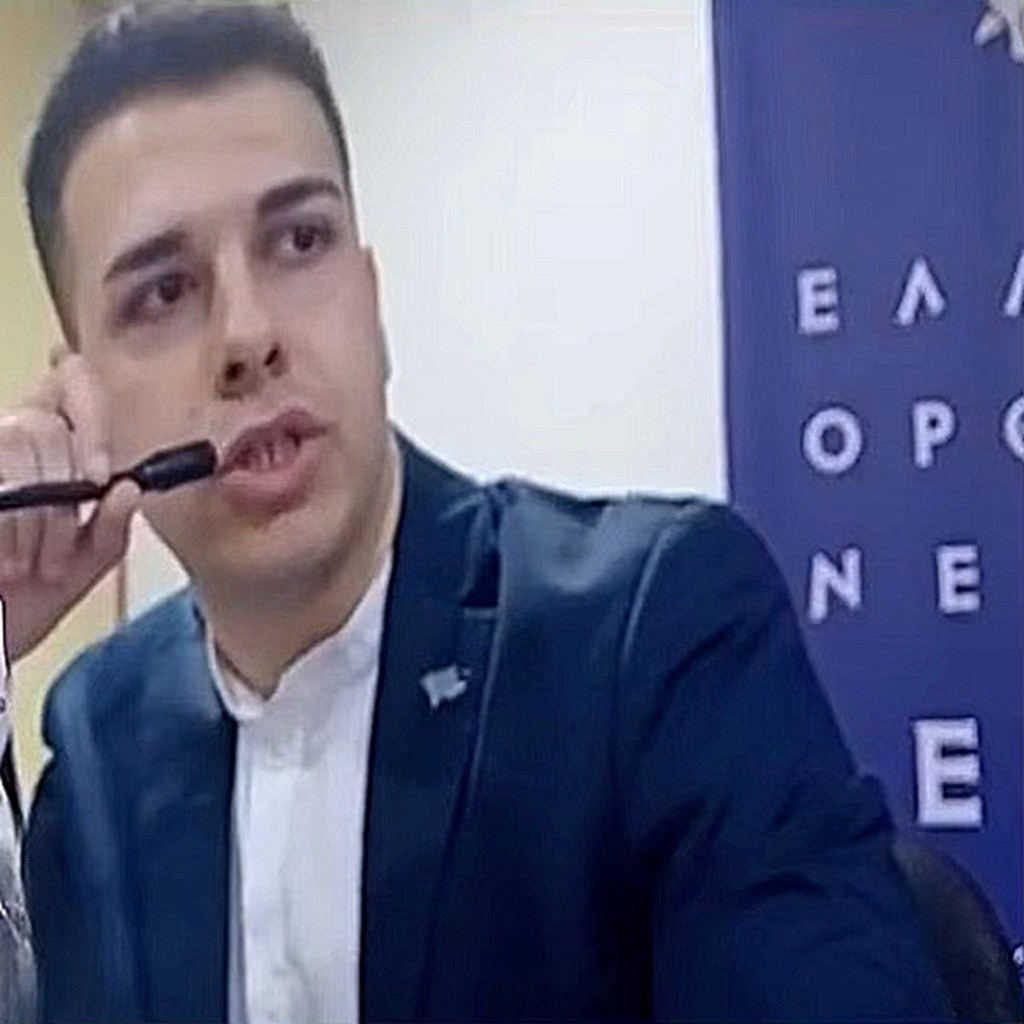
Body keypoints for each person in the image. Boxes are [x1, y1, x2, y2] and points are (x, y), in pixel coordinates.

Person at [0, 3, 951, 1021]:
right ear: (80, 396)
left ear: (370, 298)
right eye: (163, 291)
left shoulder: (654, 634)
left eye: (301, 240)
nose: (248, 334)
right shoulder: (99, 736)